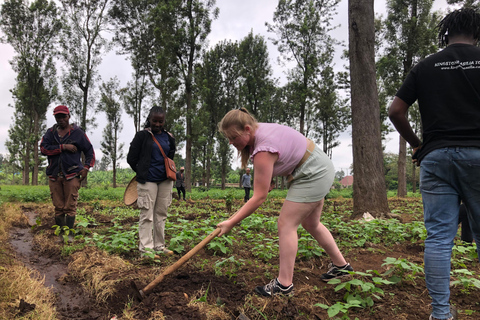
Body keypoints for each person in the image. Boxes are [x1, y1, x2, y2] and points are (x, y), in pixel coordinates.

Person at [388, 8, 480, 320]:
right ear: (476, 32)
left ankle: (441, 314)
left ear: (445, 33)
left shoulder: (425, 66)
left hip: (437, 158)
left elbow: (396, 110)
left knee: (439, 239)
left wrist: (417, 144)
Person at [217, 108, 352, 297]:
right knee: (311, 223)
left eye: (233, 137)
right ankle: (341, 266)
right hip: (317, 165)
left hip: (311, 172)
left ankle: (284, 285)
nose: (231, 142)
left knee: (286, 224)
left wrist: (231, 222)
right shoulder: (260, 132)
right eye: (228, 139)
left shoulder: (263, 148)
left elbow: (258, 197)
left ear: (247, 129)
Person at [127, 106, 176, 256]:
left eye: (160, 121)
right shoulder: (142, 136)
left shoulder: (169, 137)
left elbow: (171, 155)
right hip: (147, 181)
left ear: (164, 121)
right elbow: (131, 158)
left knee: (161, 214)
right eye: (155, 121)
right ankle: (146, 250)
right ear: (149, 119)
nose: (157, 124)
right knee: (146, 215)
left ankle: (159, 247)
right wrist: (142, 171)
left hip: (165, 181)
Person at [40, 105, 95, 234]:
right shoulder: (50, 133)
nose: (61, 119)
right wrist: (62, 147)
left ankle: (69, 234)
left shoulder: (77, 133)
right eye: (58, 117)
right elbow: (43, 149)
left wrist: (86, 168)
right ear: (55, 118)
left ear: (68, 116)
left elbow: (90, 151)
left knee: (70, 206)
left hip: (72, 174)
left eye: (63, 116)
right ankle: (61, 234)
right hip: (54, 175)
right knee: (58, 207)